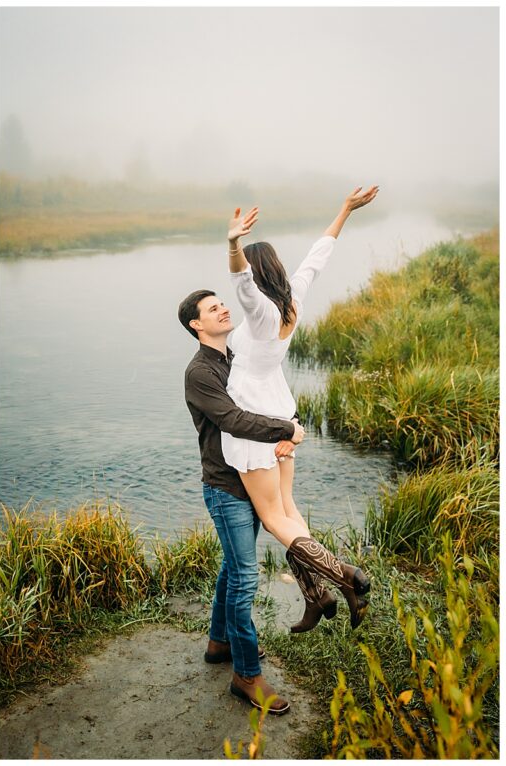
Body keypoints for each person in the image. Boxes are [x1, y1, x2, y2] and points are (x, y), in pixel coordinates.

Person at [223, 188, 378, 633]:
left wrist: (234, 245)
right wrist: (344, 209)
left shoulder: (261, 314)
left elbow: (241, 283)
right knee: (288, 509)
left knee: (273, 519)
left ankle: (343, 575)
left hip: (255, 421)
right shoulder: (293, 300)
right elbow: (317, 257)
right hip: (282, 414)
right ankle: (319, 597)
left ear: (257, 271)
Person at [179, 289, 305, 715]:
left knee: (233, 568)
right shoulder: (200, 373)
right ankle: (246, 676)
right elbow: (233, 420)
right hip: (226, 488)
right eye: (212, 308)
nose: (223, 308)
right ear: (196, 325)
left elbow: (268, 396)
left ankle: (219, 645)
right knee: (246, 578)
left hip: (254, 479)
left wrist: (290, 422)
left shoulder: (237, 358)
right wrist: (284, 430)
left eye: (222, 303)